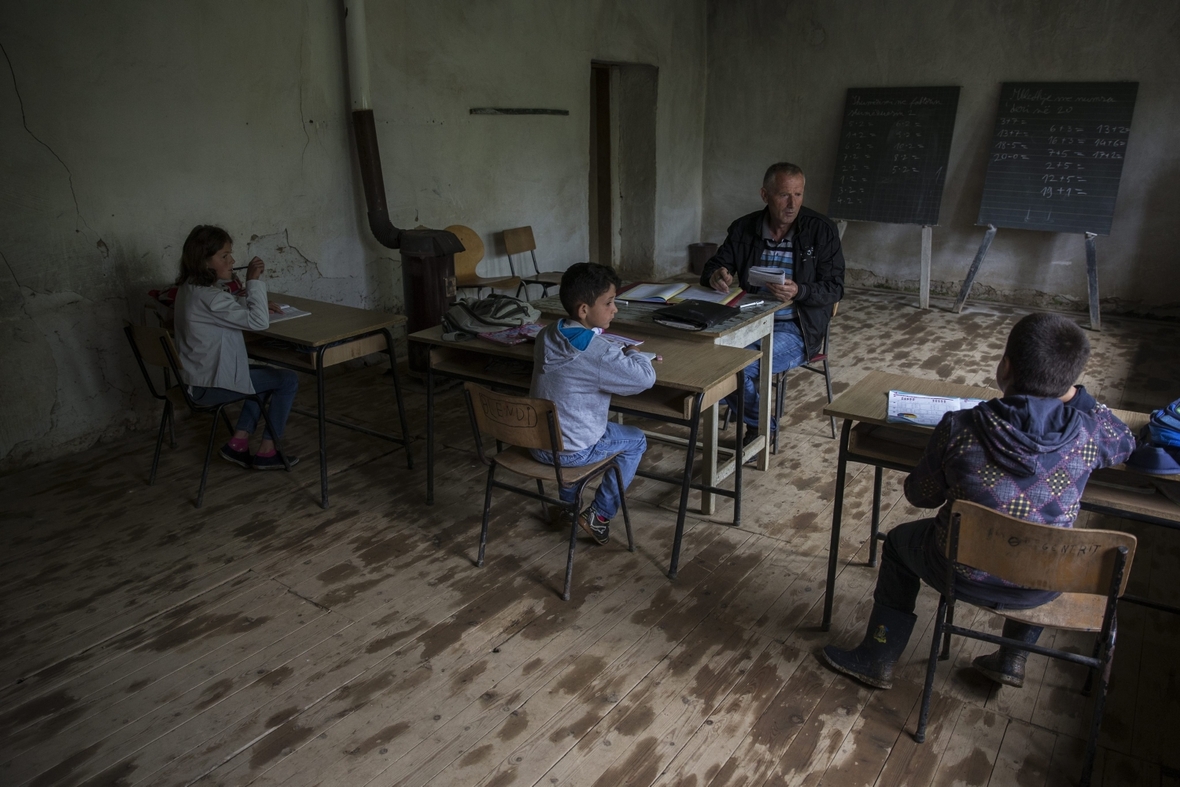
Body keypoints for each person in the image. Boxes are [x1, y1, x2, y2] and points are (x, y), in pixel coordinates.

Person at [821, 313, 1136, 690]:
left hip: (959, 569)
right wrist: (1074, 394)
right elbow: (1126, 440)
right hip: (1046, 581)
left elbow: (918, 496)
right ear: (1068, 382)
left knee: (899, 544)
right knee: (1038, 542)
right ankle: (1011, 658)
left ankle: (877, 656)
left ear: (1004, 366)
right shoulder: (1090, 434)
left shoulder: (961, 427)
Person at [701, 162, 845, 442]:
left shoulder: (821, 231)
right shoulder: (744, 228)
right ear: (765, 195)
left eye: (799, 195)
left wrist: (799, 291)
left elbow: (835, 288)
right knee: (706, 358)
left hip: (797, 328)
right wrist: (716, 275)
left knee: (735, 367)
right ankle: (732, 404)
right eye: (783, 195)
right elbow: (715, 265)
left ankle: (760, 428)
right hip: (746, 320)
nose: (792, 204)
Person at [530, 263, 657, 545]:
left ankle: (568, 506)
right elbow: (645, 379)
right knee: (635, 440)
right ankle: (599, 515)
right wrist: (634, 352)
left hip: (537, 442)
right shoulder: (598, 353)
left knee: (571, 426)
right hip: (572, 452)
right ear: (584, 310)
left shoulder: (547, 333)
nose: (615, 309)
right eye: (609, 302)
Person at [173, 224, 300, 470]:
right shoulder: (210, 298)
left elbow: (225, 305)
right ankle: (267, 450)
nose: (232, 261)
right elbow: (258, 322)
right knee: (286, 380)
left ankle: (238, 444)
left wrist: (256, 301)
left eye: (230, 254)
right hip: (207, 386)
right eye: (224, 256)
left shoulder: (190, 290)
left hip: (194, 379)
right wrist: (253, 282)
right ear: (204, 261)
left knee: (263, 378)